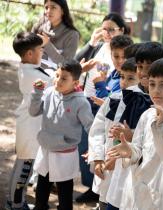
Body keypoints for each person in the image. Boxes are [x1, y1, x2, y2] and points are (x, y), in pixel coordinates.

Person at [107, 58, 163, 210]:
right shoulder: (147, 115)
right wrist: (130, 151)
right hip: (135, 192)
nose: (156, 90)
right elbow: (139, 148)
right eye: (152, 84)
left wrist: (162, 127)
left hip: (159, 196)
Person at [74, 13, 130, 202]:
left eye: (111, 29)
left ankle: (102, 193)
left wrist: (101, 86)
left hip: (105, 104)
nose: (106, 33)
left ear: (121, 30)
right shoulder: (97, 47)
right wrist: (91, 42)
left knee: (106, 145)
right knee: (88, 144)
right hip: (88, 101)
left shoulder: (126, 55)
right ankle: (92, 187)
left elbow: (117, 94)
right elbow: (76, 63)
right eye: (104, 28)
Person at [29, 60, 94, 210]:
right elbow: (33, 112)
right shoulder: (50, 92)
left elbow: (91, 126)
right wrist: (37, 93)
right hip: (45, 149)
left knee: (64, 194)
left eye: (64, 78)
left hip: (64, 155)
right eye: (57, 75)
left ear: (75, 82)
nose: (58, 80)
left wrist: (94, 149)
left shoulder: (81, 102)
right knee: (42, 189)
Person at [89, 57, 151, 210]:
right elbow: (97, 130)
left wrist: (116, 160)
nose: (124, 82)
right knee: (105, 201)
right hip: (106, 167)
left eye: (131, 78)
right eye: (122, 76)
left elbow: (142, 142)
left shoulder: (146, 105)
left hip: (128, 171)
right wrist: (98, 158)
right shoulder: (112, 100)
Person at [5, 32, 53, 210]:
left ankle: (14, 201)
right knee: (25, 168)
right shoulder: (32, 74)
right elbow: (54, 82)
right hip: (30, 126)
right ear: (30, 54)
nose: (42, 52)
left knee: (22, 164)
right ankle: (17, 204)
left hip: (28, 124)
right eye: (41, 49)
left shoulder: (27, 68)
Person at [32, 0, 79, 68]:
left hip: (54, 77)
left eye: (53, 7)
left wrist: (47, 44)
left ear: (62, 11)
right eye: (46, 7)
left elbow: (66, 65)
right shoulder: (38, 28)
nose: (48, 11)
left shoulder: (72, 35)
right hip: (33, 72)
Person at [90, 35, 134, 109]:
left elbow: (111, 106)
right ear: (111, 55)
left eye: (124, 57)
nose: (120, 61)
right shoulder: (113, 73)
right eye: (116, 56)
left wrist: (100, 84)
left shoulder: (129, 81)